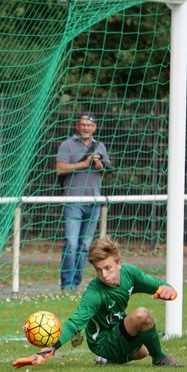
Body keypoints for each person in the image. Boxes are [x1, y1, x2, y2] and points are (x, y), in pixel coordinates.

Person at [13, 237, 182, 369]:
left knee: (143, 351)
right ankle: (160, 358)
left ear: (119, 263)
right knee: (142, 314)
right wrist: (46, 352)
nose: (104, 275)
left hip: (117, 330)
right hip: (102, 342)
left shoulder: (131, 274)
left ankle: (108, 361)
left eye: (108, 268)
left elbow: (157, 284)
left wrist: (168, 289)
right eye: (98, 270)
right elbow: (73, 324)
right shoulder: (94, 293)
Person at [55, 112, 112, 291]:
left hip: (93, 202)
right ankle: (67, 285)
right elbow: (59, 169)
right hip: (73, 201)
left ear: (94, 127)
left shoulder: (100, 146)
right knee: (71, 243)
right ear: (77, 126)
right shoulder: (67, 144)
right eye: (83, 125)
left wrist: (100, 166)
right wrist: (84, 163)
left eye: (89, 125)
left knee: (85, 246)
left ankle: (76, 283)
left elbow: (108, 174)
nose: (86, 128)